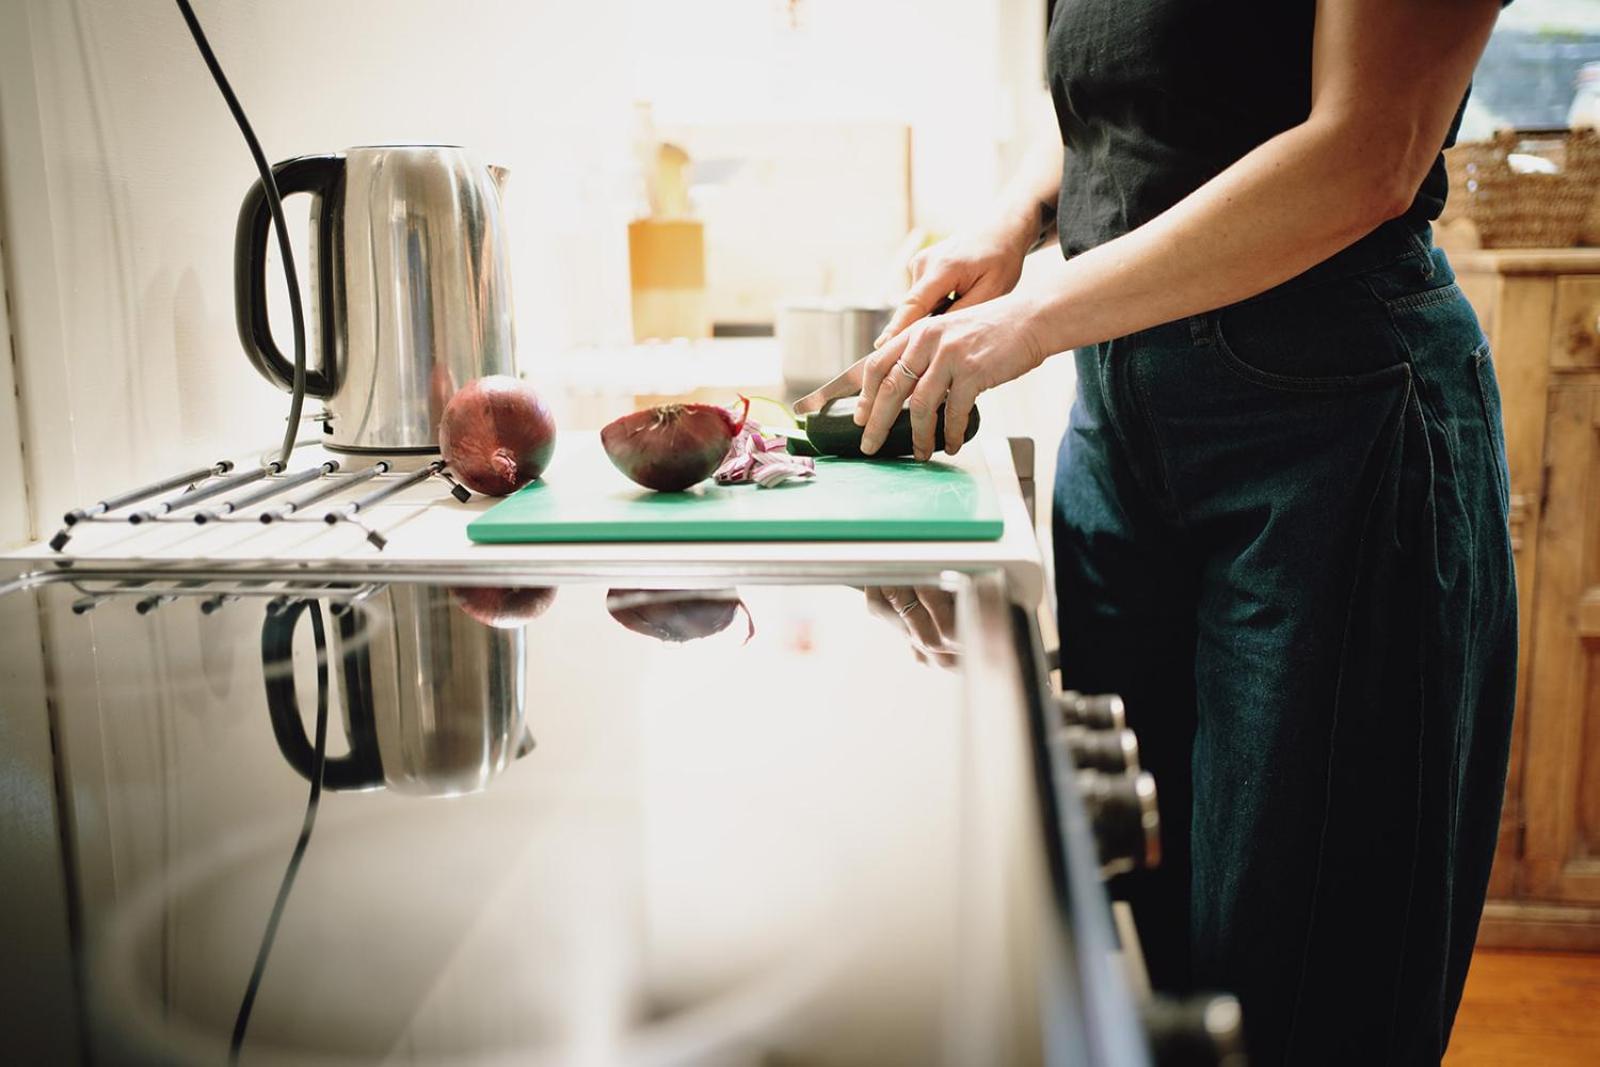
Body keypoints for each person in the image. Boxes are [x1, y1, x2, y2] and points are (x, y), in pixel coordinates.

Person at [796, 1, 1517, 1063]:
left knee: (1306, 987)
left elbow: (1372, 150)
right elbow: (1128, 85)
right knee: (1136, 939)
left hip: (1327, 426)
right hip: (1120, 421)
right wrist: (1014, 220)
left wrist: (1030, 319)